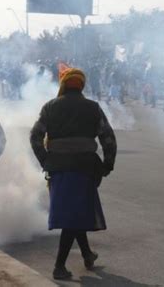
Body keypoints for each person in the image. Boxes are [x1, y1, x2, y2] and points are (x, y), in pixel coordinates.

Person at [30, 67, 117, 280]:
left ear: (63, 85)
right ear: (82, 85)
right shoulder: (93, 108)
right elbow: (108, 138)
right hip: (86, 169)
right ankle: (59, 266)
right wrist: (107, 165)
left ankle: (87, 254)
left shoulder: (50, 107)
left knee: (73, 213)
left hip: (59, 169)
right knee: (74, 216)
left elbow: (35, 136)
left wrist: (45, 160)